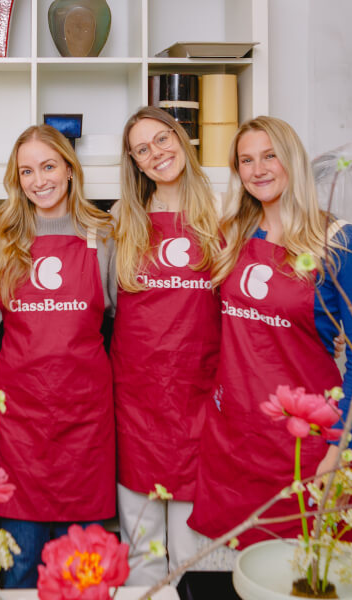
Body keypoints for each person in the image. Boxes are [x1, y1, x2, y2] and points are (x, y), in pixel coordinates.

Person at [188, 116, 352, 555]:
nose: (258, 169)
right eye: (246, 160)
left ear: (292, 159)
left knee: (302, 574)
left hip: (306, 446)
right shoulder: (233, 235)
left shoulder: (343, 245)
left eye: (269, 156)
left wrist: (340, 448)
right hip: (232, 440)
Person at [0, 124, 116, 588]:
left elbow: (121, 317)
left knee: (83, 578)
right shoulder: (4, 235)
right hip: (21, 427)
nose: (39, 180)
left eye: (49, 166)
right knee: (18, 570)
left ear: (70, 170)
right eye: (27, 171)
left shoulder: (102, 233)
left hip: (86, 425)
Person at [110, 106, 222, 583]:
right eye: (142, 149)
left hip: (201, 400)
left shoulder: (224, 211)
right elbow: (111, 306)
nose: (156, 153)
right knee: (142, 556)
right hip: (137, 402)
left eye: (162, 139)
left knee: (193, 556)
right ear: (135, 163)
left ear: (181, 137)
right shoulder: (123, 219)